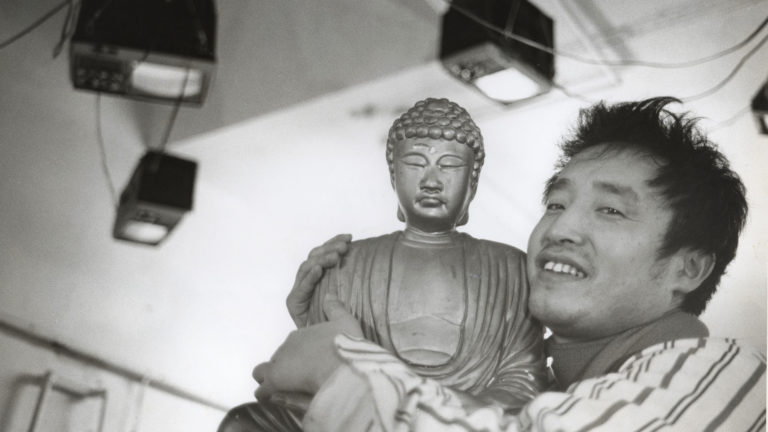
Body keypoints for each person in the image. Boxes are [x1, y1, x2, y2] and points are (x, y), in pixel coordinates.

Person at [252, 97, 766, 431]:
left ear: (687, 269)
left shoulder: (726, 376)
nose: (560, 228)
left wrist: (350, 370)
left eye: (610, 210)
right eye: (556, 204)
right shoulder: (556, 393)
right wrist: (350, 326)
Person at [219, 98, 547, 431]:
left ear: (472, 182)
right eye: (415, 163)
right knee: (246, 423)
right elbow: (319, 382)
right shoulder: (347, 264)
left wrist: (414, 409)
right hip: (360, 417)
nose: (431, 180)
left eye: (448, 165)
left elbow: (523, 386)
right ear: (394, 175)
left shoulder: (510, 269)